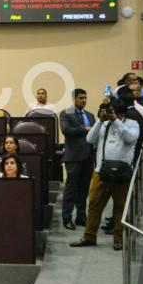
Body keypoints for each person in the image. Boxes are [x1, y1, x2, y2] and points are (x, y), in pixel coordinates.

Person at [70, 99, 139, 251]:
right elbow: (90, 139)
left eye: (112, 112)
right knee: (94, 204)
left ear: (120, 112)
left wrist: (116, 121)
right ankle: (89, 236)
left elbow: (130, 138)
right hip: (101, 171)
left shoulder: (132, 124)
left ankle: (118, 239)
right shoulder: (104, 124)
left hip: (122, 172)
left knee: (120, 206)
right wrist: (100, 121)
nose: (109, 114)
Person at [60, 88, 96, 230]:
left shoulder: (91, 115)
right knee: (71, 189)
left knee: (84, 188)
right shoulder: (67, 112)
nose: (84, 100)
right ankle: (67, 217)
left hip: (88, 156)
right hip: (74, 156)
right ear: (74, 99)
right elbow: (66, 130)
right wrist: (85, 129)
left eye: (85, 98)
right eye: (81, 98)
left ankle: (81, 217)